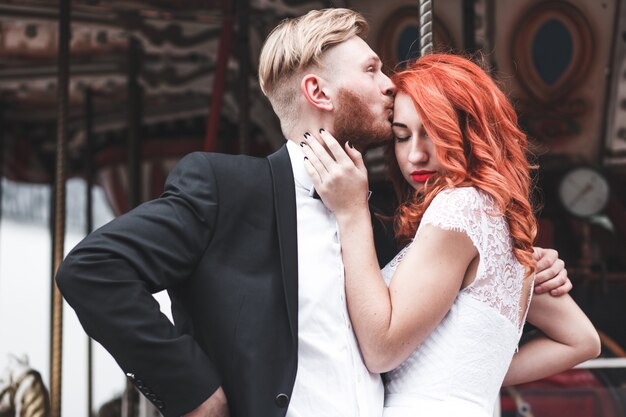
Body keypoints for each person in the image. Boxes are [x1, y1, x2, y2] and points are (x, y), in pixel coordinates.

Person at [55, 9, 572, 417]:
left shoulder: (381, 229)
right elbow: (93, 269)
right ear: (318, 91)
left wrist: (521, 262)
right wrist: (195, 393)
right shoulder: (228, 189)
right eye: (371, 70)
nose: (391, 82)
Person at [301, 53, 601, 417]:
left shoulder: (461, 208)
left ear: (474, 133)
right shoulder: (495, 219)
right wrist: (468, 379)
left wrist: (351, 212)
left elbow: (381, 350)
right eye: (401, 135)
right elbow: (581, 340)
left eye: (434, 133)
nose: (415, 154)